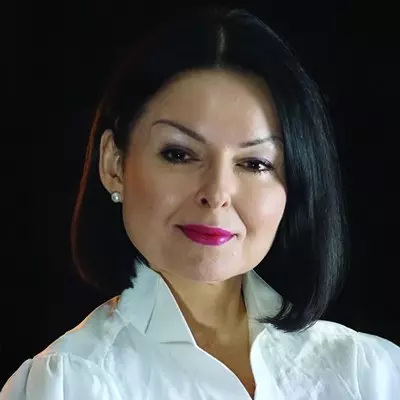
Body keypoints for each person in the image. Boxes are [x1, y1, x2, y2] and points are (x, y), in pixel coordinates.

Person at [1, 5, 399, 400]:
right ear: (114, 164)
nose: (217, 192)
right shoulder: (69, 383)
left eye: (254, 163)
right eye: (178, 154)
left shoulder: (369, 372)